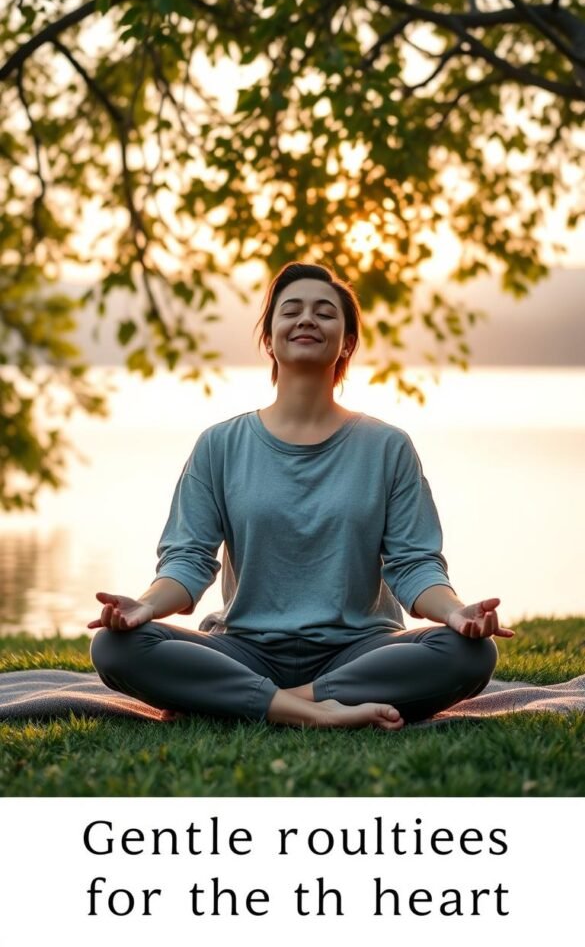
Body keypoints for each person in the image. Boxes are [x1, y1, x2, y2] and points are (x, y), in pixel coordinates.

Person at [89, 261, 513, 730]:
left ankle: (273, 703)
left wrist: (456, 613)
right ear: (269, 338)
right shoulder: (220, 444)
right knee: (114, 645)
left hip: (360, 651)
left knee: (469, 653)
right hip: (245, 648)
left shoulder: (387, 446)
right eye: (290, 310)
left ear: (347, 341)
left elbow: (414, 565)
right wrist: (145, 606)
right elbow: (187, 561)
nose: (307, 319)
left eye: (324, 312)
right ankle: (313, 713)